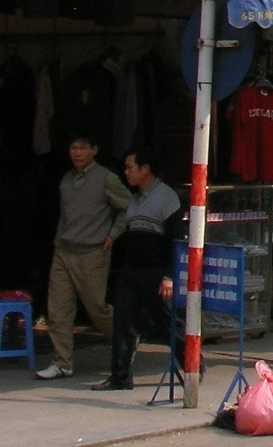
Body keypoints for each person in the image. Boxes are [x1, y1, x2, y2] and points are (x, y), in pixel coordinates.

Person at [36, 132, 130, 380]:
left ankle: (126, 340)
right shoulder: (66, 180)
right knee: (57, 311)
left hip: (93, 252)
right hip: (64, 251)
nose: (77, 153)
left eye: (83, 148)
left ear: (94, 150)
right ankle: (62, 362)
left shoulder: (106, 179)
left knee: (97, 309)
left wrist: (113, 234)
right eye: (73, 148)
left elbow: (129, 208)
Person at [93, 146, 184, 391]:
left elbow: (176, 241)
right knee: (123, 323)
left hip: (156, 272)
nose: (126, 172)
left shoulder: (167, 198)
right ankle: (120, 376)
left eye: (130, 167)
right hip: (131, 271)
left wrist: (169, 276)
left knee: (167, 325)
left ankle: (194, 365)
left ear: (145, 169)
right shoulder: (133, 199)